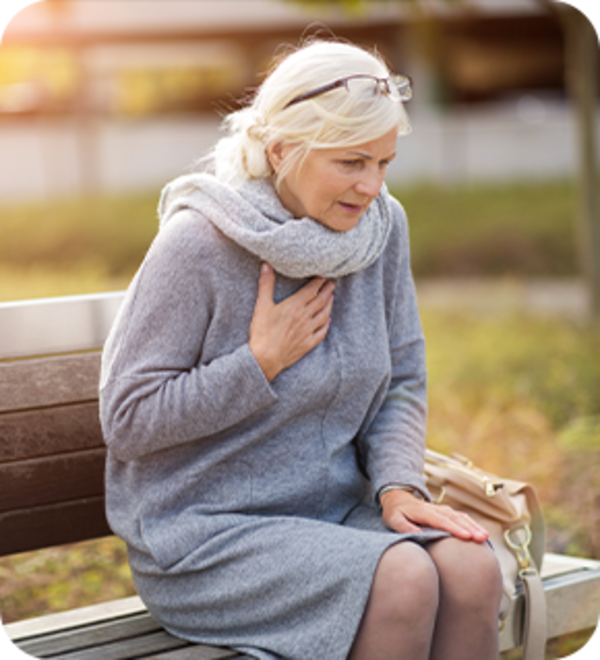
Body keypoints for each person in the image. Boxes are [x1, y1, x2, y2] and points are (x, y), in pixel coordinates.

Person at [99, 39, 503, 660]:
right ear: (283, 149)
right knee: (404, 579)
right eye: (351, 163)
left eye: (384, 163)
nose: (371, 186)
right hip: (209, 536)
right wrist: (258, 363)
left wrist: (398, 486)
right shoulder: (198, 244)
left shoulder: (380, 229)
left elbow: (402, 378)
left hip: (334, 515)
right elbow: (127, 420)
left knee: (475, 571)